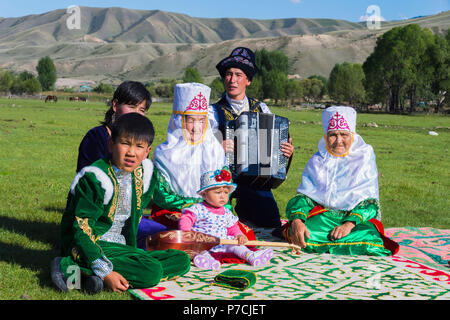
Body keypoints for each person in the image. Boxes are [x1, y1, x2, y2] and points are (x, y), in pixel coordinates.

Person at [51, 113, 191, 293]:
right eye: (125, 143)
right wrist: (106, 272)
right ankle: (68, 264)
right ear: (111, 144)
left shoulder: (146, 173)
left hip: (122, 246)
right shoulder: (95, 178)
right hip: (93, 242)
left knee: (181, 259)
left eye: (139, 146)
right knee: (152, 271)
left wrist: (202, 202)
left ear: (147, 151)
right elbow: (81, 229)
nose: (131, 153)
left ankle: (87, 277)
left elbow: (167, 198)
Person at [283, 106, 399, 256]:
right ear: (325, 136)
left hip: (355, 221)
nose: (339, 141)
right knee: (299, 232)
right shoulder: (317, 161)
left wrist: (347, 225)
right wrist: (297, 221)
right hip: (324, 217)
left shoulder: (364, 157)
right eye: (333, 135)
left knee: (370, 239)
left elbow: (370, 203)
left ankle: (326, 244)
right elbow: (304, 197)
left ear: (352, 135)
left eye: (344, 134)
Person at [73, 81, 167, 249]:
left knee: (165, 233)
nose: (137, 114)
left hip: (126, 210)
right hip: (98, 213)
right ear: (115, 105)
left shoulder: (139, 140)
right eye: (131, 107)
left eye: (142, 110)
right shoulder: (95, 137)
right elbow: (88, 183)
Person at [211, 47, 295, 231]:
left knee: (270, 224)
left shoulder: (262, 108)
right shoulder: (212, 111)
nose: (232, 80)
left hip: (256, 179)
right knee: (220, 227)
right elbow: (199, 142)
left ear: (248, 80)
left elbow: (276, 141)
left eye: (238, 75)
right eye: (229, 74)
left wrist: (286, 150)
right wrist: (217, 144)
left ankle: (247, 211)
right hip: (220, 177)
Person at [179, 166, 274, 270]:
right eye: (218, 192)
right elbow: (186, 219)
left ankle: (250, 256)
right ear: (204, 195)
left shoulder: (226, 212)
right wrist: (187, 233)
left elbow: (232, 227)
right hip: (203, 242)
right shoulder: (198, 208)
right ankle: (205, 260)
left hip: (223, 243)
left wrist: (239, 235)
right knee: (199, 249)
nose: (223, 196)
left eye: (226, 192)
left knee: (236, 245)